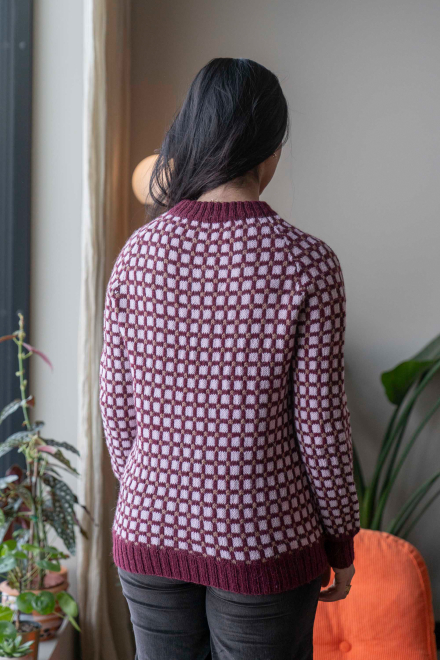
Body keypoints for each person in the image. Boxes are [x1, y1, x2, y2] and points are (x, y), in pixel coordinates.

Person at [99, 57, 360, 660]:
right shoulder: (308, 264)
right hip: (263, 539)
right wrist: (341, 543)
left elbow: (118, 405)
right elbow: (321, 428)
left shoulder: (137, 254)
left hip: (147, 529)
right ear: (271, 149)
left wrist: (155, 492)